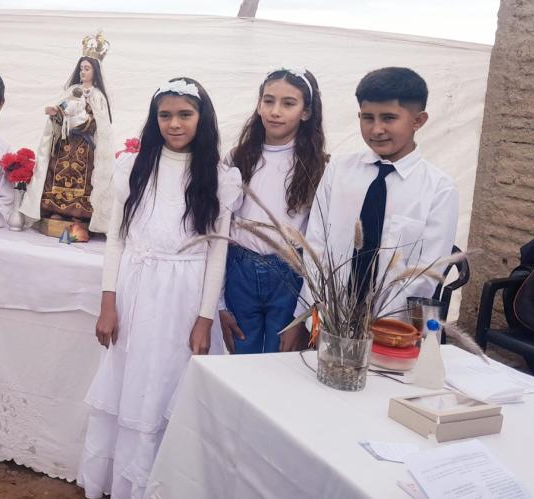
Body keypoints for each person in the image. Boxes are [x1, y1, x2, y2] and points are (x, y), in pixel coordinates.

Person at [77, 78, 241, 499]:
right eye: (165, 115)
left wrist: (205, 318)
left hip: (184, 297)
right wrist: (108, 303)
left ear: (202, 120)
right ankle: (119, 484)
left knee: (168, 385)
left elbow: (216, 255)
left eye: (185, 114)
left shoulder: (220, 179)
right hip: (135, 291)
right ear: (154, 120)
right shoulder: (133, 167)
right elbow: (116, 238)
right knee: (130, 383)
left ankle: (159, 487)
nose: (174, 123)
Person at [290, 67, 458, 338]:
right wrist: (315, 313)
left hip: (394, 331)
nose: (376, 129)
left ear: (418, 120)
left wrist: (377, 324)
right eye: (368, 118)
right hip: (329, 322)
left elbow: (428, 272)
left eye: (389, 118)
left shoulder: (439, 189)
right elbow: (316, 245)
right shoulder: (339, 171)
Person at [218, 68, 328, 354]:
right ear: (258, 104)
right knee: (242, 358)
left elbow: (318, 239)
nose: (275, 111)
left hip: (289, 274)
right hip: (239, 271)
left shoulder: (318, 166)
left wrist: (303, 315)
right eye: (268, 101)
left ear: (306, 112)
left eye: (288, 103)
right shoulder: (238, 157)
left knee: (281, 362)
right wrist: (219, 303)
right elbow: (219, 227)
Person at [20, 34, 116, 239]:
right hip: (66, 143)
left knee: (84, 178)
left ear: (95, 72)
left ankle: (80, 215)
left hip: (85, 147)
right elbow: (62, 108)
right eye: (81, 68)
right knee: (58, 173)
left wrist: (89, 123)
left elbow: (103, 124)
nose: (83, 71)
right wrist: (56, 113)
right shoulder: (72, 90)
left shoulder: (98, 96)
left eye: (87, 68)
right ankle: (56, 209)